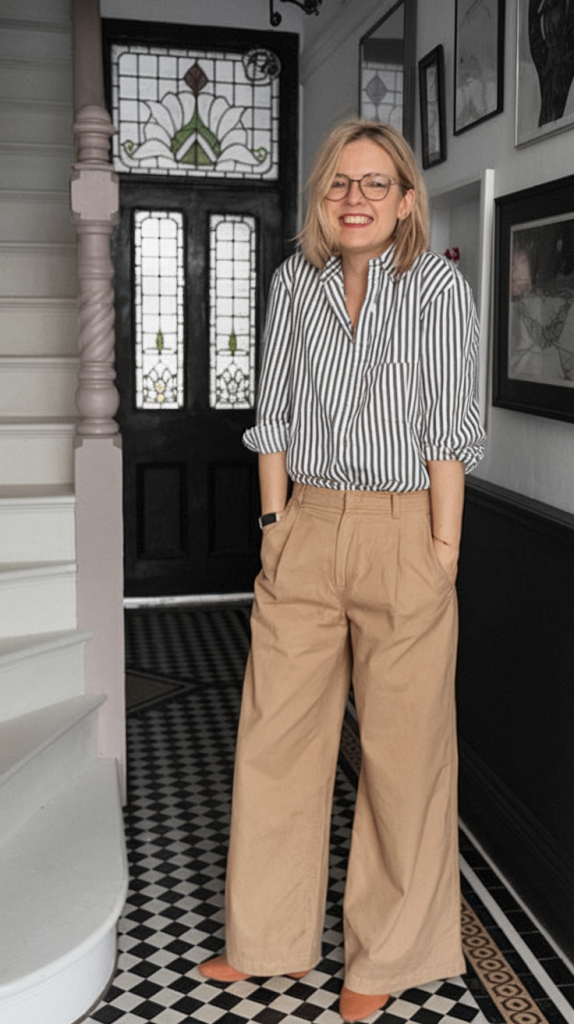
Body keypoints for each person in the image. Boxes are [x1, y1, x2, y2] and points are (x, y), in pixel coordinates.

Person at [199, 118, 486, 1022]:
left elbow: (449, 432)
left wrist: (443, 553)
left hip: (407, 531)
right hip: (309, 525)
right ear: (322, 200)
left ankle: (387, 955)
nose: (354, 198)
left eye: (374, 184)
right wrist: (276, 523)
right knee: (275, 738)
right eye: (339, 184)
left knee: (404, 758)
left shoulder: (438, 289)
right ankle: (266, 937)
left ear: (406, 200)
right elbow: (273, 411)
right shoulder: (295, 283)